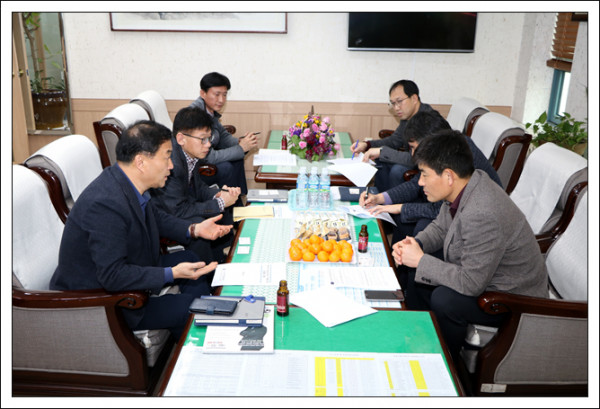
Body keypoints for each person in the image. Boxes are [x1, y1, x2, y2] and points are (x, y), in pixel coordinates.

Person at [50, 120, 233, 341]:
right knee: (190, 307)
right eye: (166, 157)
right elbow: (113, 275)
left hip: (133, 267)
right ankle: (196, 342)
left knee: (194, 260)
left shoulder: (126, 181)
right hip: (103, 300)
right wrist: (172, 273)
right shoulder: (104, 204)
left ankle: (196, 333)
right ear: (141, 162)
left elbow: (157, 218)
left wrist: (194, 229)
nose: (171, 166)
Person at [392, 130, 548, 361]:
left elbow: (471, 282)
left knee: (444, 298)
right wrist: (416, 244)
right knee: (420, 269)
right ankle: (419, 333)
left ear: (448, 176)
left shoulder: (482, 212)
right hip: (485, 276)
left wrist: (420, 260)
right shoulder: (467, 184)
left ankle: (447, 362)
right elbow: (441, 227)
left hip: (512, 299)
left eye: (424, 174)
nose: (420, 182)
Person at [151, 106, 240, 263]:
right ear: (181, 138)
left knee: (224, 205)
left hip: (182, 203)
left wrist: (219, 194)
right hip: (163, 216)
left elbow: (199, 188)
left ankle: (226, 257)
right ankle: (207, 272)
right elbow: (178, 210)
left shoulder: (190, 152)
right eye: (202, 139)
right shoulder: (171, 163)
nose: (208, 145)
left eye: (209, 139)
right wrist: (219, 202)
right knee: (201, 222)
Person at [350, 79, 437, 192]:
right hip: (414, 160)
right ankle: (379, 198)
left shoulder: (428, 120)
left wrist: (381, 152)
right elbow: (394, 140)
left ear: (414, 99)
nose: (396, 108)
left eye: (399, 101)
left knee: (398, 170)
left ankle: (393, 201)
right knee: (381, 160)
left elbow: (417, 158)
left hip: (429, 168)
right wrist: (367, 145)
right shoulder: (408, 115)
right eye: (393, 103)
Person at [190, 71, 259, 195]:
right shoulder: (195, 115)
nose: (221, 100)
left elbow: (223, 136)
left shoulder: (209, 110)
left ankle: (238, 199)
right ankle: (229, 203)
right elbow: (208, 157)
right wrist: (241, 148)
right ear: (203, 93)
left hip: (206, 159)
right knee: (226, 167)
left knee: (237, 158)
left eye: (224, 95)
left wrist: (240, 142)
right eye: (217, 94)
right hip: (194, 169)